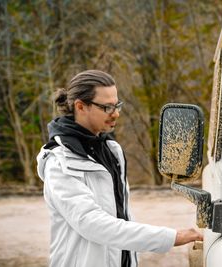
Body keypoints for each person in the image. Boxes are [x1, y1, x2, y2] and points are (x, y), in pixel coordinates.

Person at [36, 70, 203, 267]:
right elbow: (93, 224)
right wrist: (171, 237)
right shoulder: (59, 162)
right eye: (107, 107)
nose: (116, 113)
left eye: (117, 105)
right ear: (81, 106)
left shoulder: (111, 150)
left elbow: (121, 218)